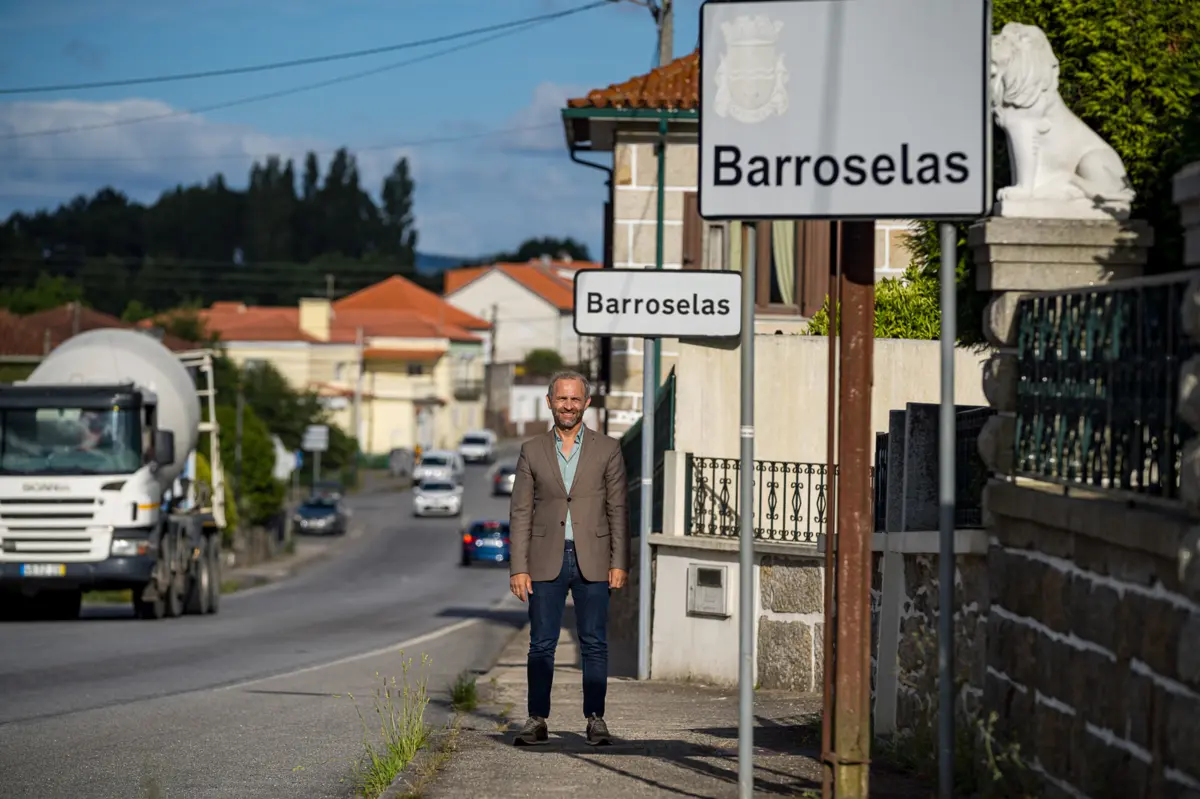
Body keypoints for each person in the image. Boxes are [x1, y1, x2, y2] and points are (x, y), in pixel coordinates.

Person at [508, 369, 629, 747]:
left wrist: (619, 561)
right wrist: (518, 567)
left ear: (586, 404)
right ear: (549, 402)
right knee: (541, 643)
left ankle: (595, 719)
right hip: (546, 558)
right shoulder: (531, 450)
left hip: (593, 557)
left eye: (575, 399)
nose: (568, 405)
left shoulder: (608, 449)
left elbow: (618, 509)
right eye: (562, 398)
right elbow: (520, 512)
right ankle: (536, 719)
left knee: (594, 642)